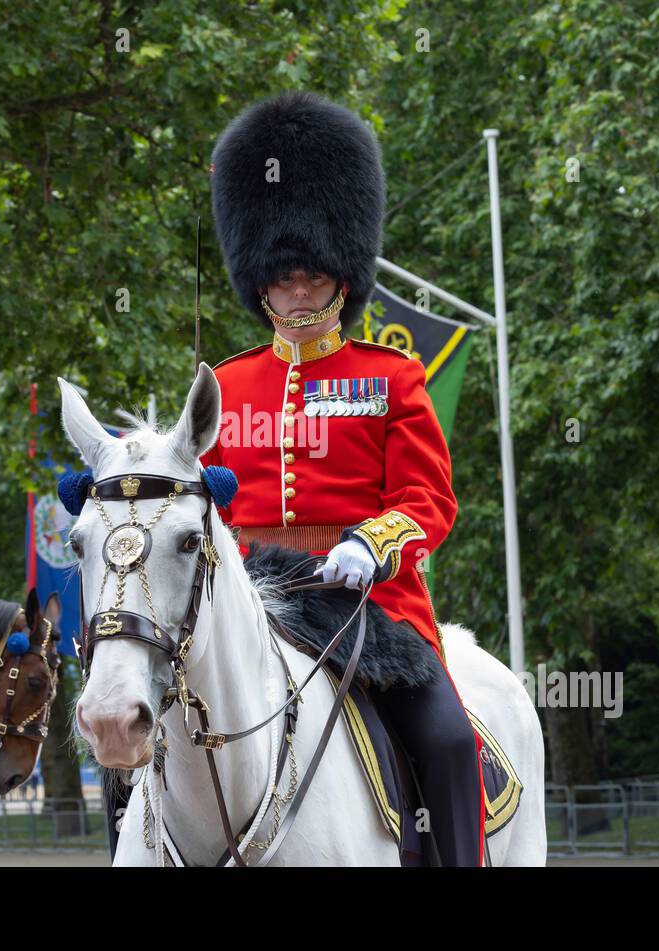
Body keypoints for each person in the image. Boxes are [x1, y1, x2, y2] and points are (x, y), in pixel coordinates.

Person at [199, 90, 485, 866]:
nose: (298, 292)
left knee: (449, 742)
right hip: (255, 601)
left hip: (369, 603)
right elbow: (202, 505)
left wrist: (374, 540)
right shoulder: (225, 387)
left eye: (313, 276)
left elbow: (429, 499)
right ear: (258, 280)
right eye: (283, 277)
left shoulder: (391, 377)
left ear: (341, 278)